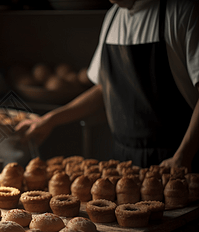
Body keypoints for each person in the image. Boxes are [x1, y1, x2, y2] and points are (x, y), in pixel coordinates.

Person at [16, 0, 199, 172]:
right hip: (123, 159)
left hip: (177, 160)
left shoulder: (182, 13)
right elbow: (105, 88)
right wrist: (51, 119)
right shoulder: (113, 17)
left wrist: (184, 155)